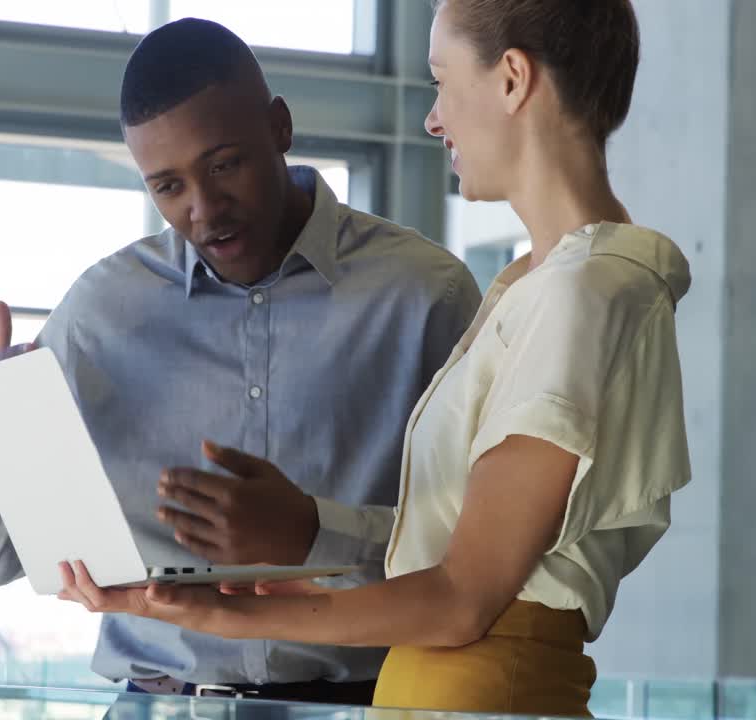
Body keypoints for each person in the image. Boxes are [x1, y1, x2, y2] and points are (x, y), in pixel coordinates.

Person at [57, 1, 693, 716]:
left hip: (483, 691)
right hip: (435, 690)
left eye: (441, 81)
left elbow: (461, 598)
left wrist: (213, 612)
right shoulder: (535, 285)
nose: (433, 119)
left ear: (512, 79)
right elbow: (449, 567)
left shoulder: (584, 291)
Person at [0, 17, 480, 707]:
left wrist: (314, 534)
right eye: (168, 186)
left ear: (279, 127)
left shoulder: (426, 296)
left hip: (361, 703)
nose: (204, 209)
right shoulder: (102, 312)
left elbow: (485, 553)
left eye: (224, 165)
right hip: (154, 701)